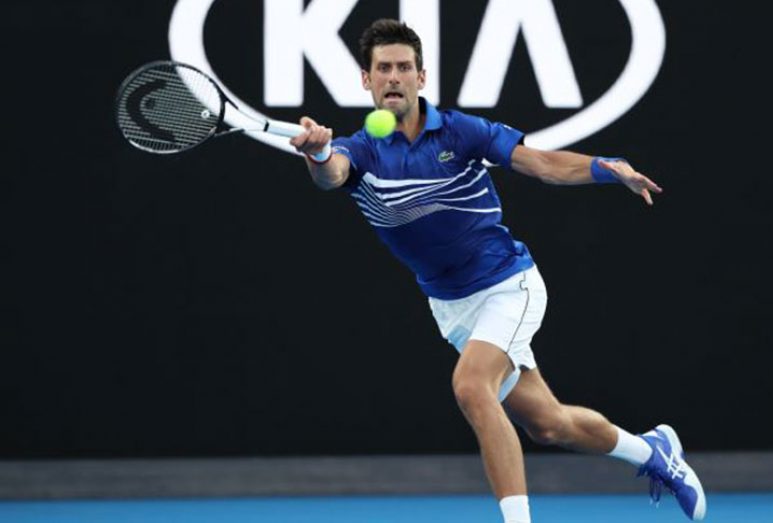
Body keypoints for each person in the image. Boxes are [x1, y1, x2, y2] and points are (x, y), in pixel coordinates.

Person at [289, 18, 706, 523]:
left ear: (422, 77)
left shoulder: (462, 132)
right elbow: (332, 176)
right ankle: (654, 451)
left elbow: (539, 164)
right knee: (549, 425)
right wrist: (318, 153)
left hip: (509, 285)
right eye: (383, 69)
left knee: (470, 386)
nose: (393, 77)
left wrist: (603, 167)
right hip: (452, 307)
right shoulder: (362, 150)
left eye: (404, 67)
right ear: (366, 79)